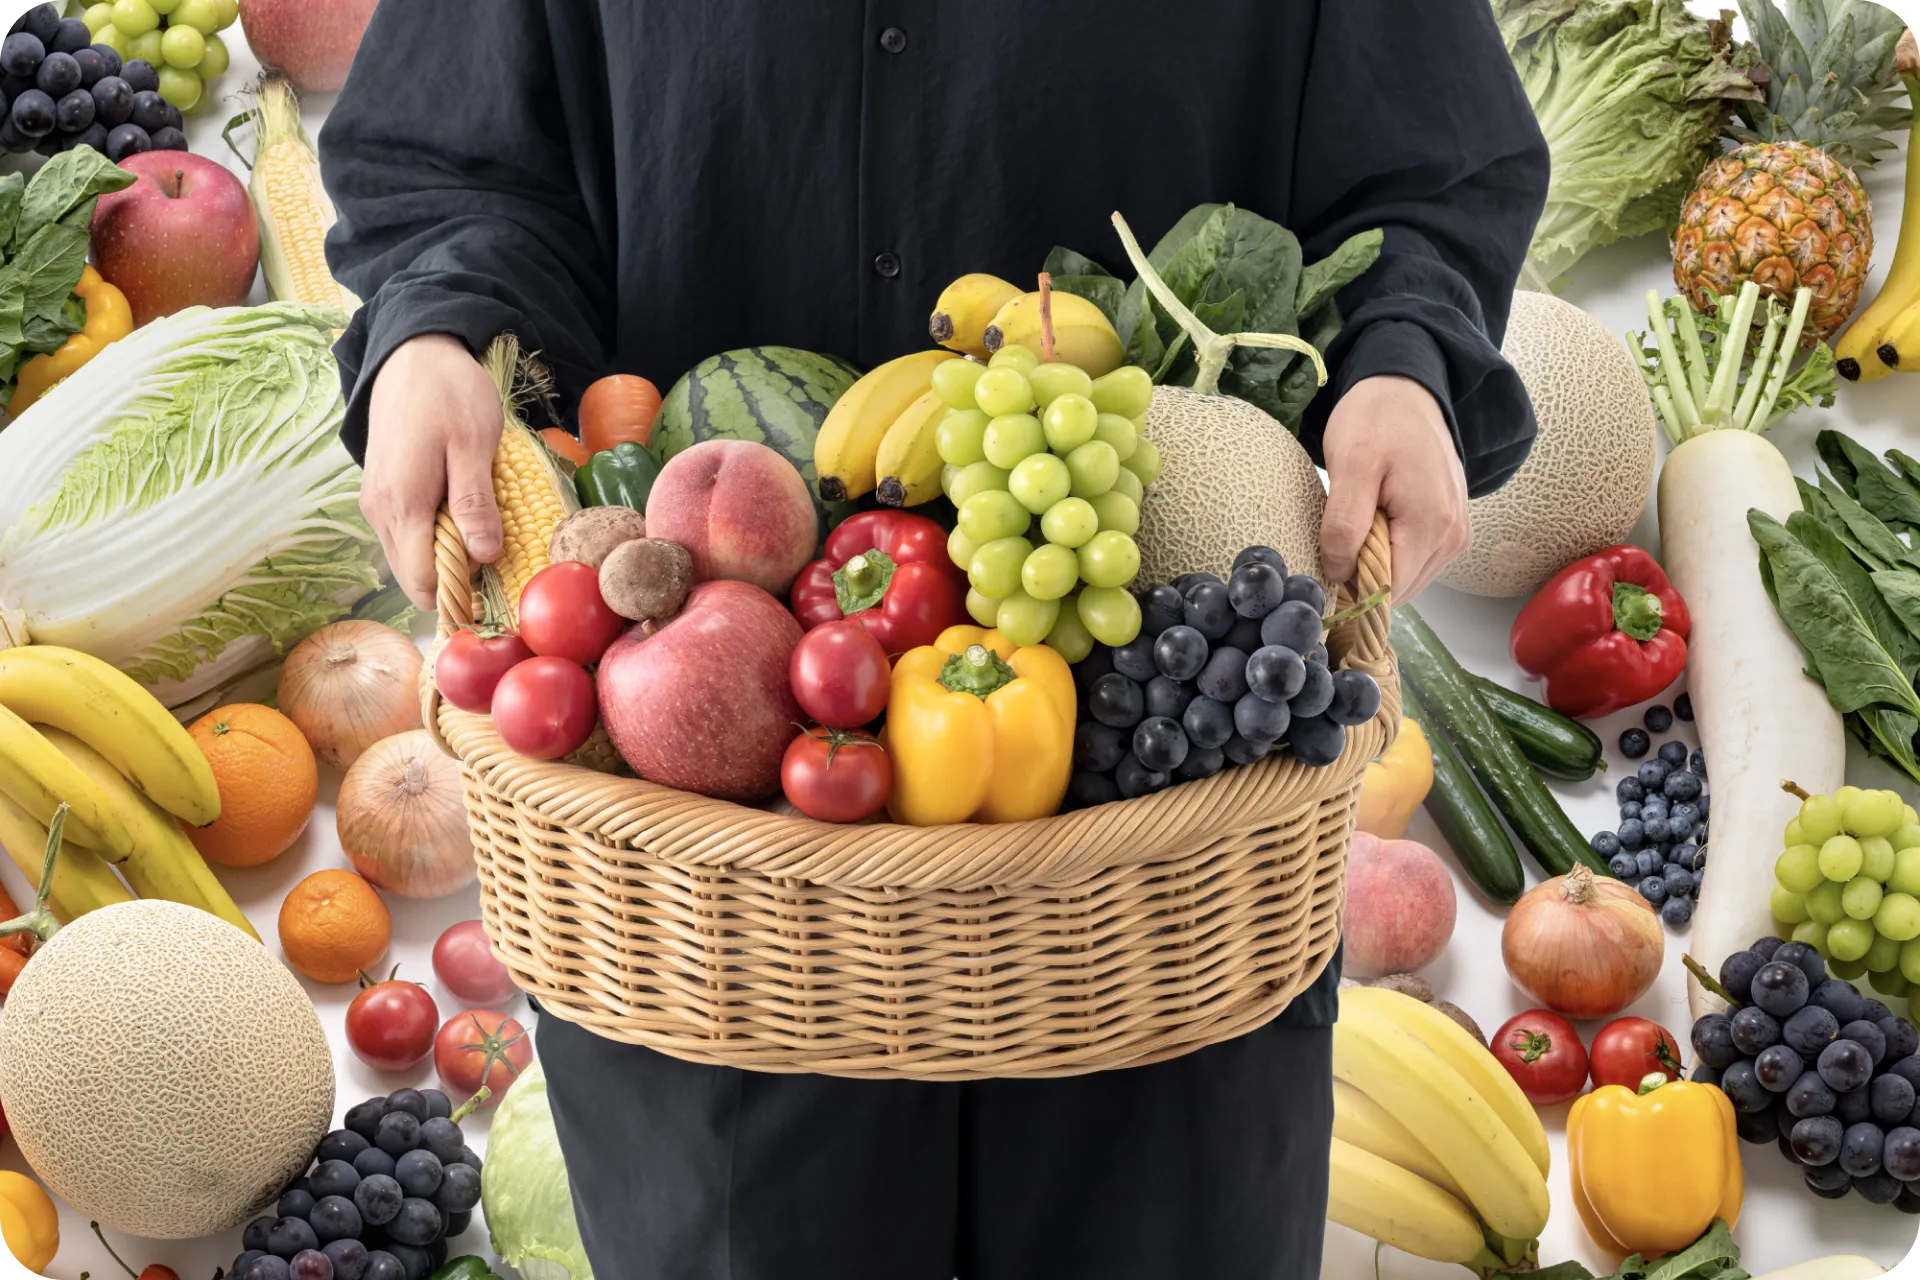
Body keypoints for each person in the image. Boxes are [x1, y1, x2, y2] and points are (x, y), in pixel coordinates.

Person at [321, 3, 1548, 1276]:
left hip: (1165, 831)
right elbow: (459, 156)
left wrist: (1404, 360)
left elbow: (1428, 164)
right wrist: (437, 329)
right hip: (710, 865)